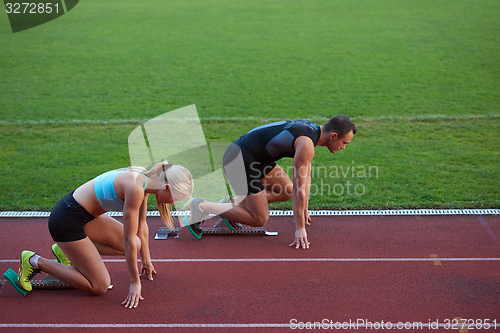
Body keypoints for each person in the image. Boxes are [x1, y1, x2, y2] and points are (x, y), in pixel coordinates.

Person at [17, 161, 193, 309]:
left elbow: (141, 225)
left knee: (137, 244)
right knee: (99, 285)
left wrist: (146, 260)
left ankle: (67, 252)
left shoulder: (146, 181)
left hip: (85, 217)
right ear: (167, 187)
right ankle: (34, 261)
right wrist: (134, 282)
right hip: (66, 221)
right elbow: (128, 238)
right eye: (175, 198)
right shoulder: (135, 187)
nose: (172, 203)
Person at [189, 115, 356, 250]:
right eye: (344, 143)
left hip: (256, 159)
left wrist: (304, 209)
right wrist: (299, 229)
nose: (343, 147)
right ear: (333, 136)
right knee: (259, 219)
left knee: (288, 191)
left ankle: (232, 205)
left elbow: (306, 177)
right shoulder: (306, 144)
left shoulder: (311, 132)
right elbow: (300, 189)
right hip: (239, 159)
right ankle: (201, 206)